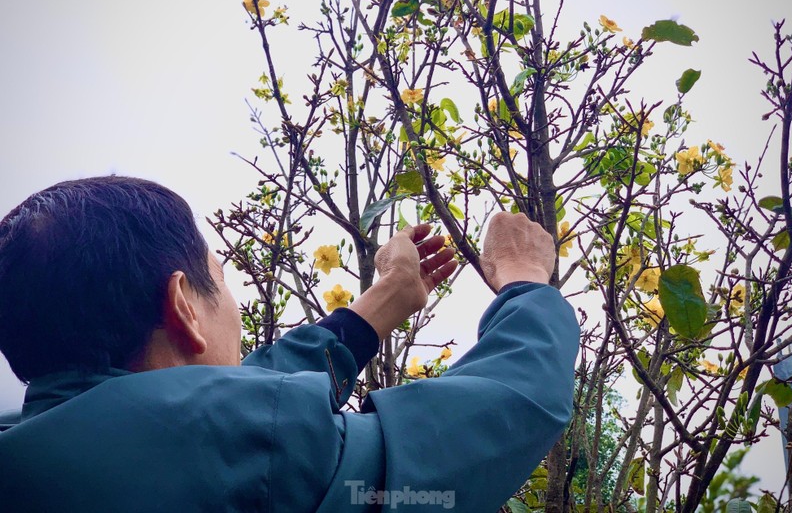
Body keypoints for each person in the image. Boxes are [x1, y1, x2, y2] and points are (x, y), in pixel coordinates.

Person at [0, 176, 579, 512]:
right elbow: (505, 412)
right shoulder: (238, 447)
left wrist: (385, 300)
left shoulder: (35, 449)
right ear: (183, 306)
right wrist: (524, 279)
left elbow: (237, 406)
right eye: (222, 283)